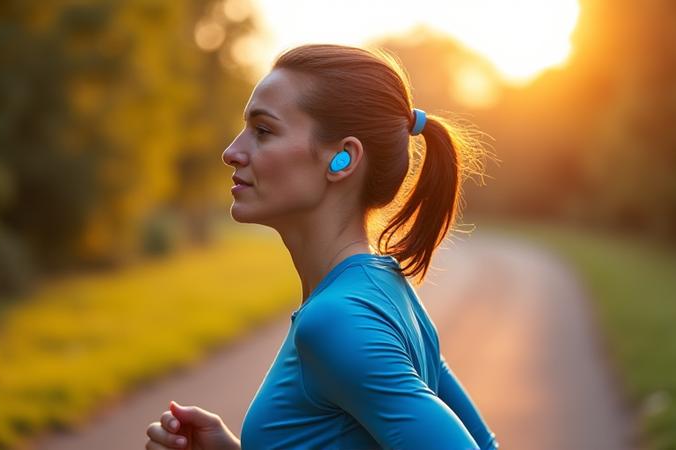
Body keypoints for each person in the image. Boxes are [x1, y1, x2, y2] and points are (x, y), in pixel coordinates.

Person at [145, 43, 499, 450]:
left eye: (263, 131)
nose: (232, 152)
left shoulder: (336, 321)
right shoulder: (386, 290)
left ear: (342, 160)